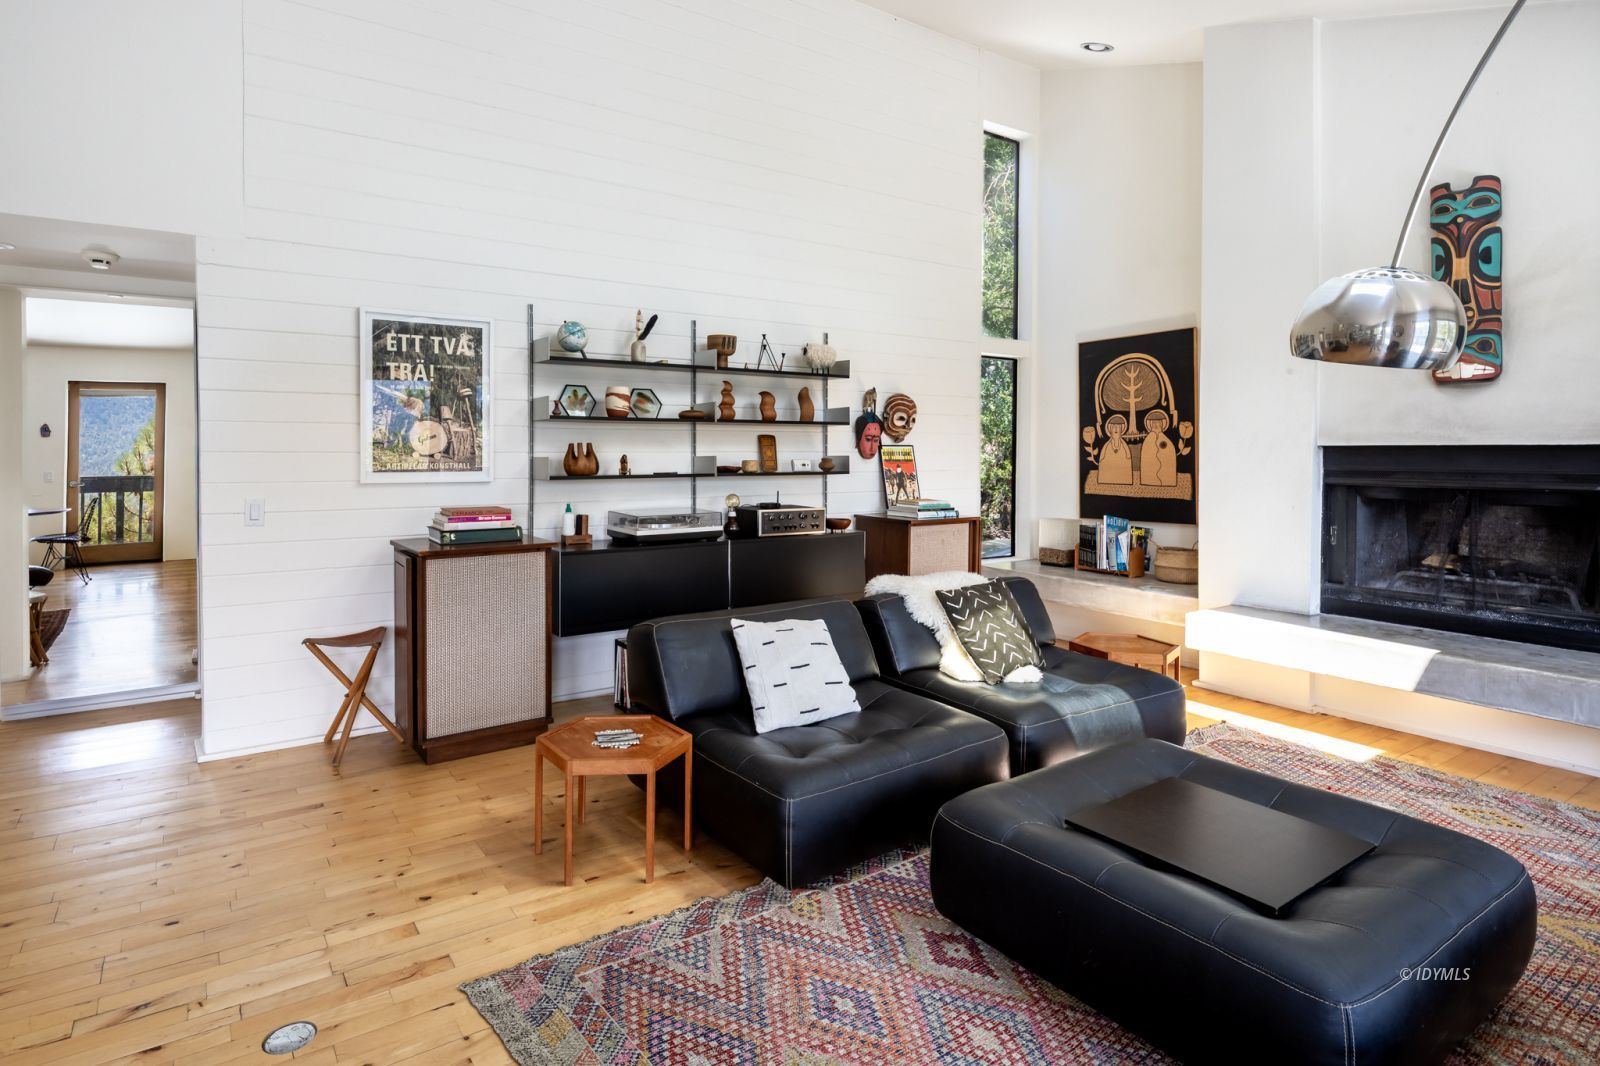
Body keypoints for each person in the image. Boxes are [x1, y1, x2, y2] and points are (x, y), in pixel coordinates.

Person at [1140, 409, 1177, 487]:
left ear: (1162, 424)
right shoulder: (1148, 440)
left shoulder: (1166, 439)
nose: (1156, 425)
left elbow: (1169, 453)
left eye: (1158, 422)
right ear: (1150, 424)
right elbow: (1146, 454)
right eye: (1153, 423)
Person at [1099, 415, 1132, 484]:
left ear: (1122, 429)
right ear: (1110, 429)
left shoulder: (1123, 444)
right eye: (1114, 427)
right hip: (1108, 475)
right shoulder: (1107, 445)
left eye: (1118, 427)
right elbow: (1102, 458)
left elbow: (1128, 456)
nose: (1116, 429)